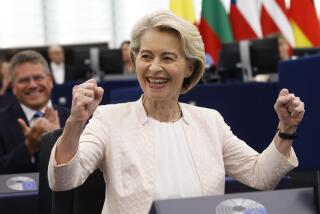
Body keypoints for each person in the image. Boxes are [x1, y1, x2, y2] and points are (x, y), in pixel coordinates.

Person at [48, 10, 305, 213]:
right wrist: (75, 122)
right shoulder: (109, 118)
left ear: (190, 68)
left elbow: (261, 175)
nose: (154, 68)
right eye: (146, 56)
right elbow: (63, 181)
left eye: (167, 58)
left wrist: (286, 130)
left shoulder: (210, 121)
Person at [0, 50, 69, 174]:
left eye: (38, 78)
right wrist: (28, 148)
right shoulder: (1, 122)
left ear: (50, 81)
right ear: (13, 88)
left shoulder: (72, 119)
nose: (32, 85)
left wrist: (59, 143)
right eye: (24, 80)